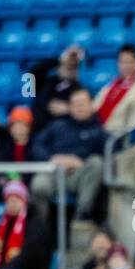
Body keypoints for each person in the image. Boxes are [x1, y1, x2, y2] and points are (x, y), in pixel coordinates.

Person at [29, 87, 106, 224]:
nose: (79, 108)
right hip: (54, 172)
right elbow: (37, 144)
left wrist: (80, 162)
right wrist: (51, 158)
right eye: (75, 105)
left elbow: (110, 154)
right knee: (39, 184)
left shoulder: (99, 131)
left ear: (91, 105)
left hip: (80, 175)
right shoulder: (57, 125)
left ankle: (81, 217)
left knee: (96, 162)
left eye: (82, 104)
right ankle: (39, 227)